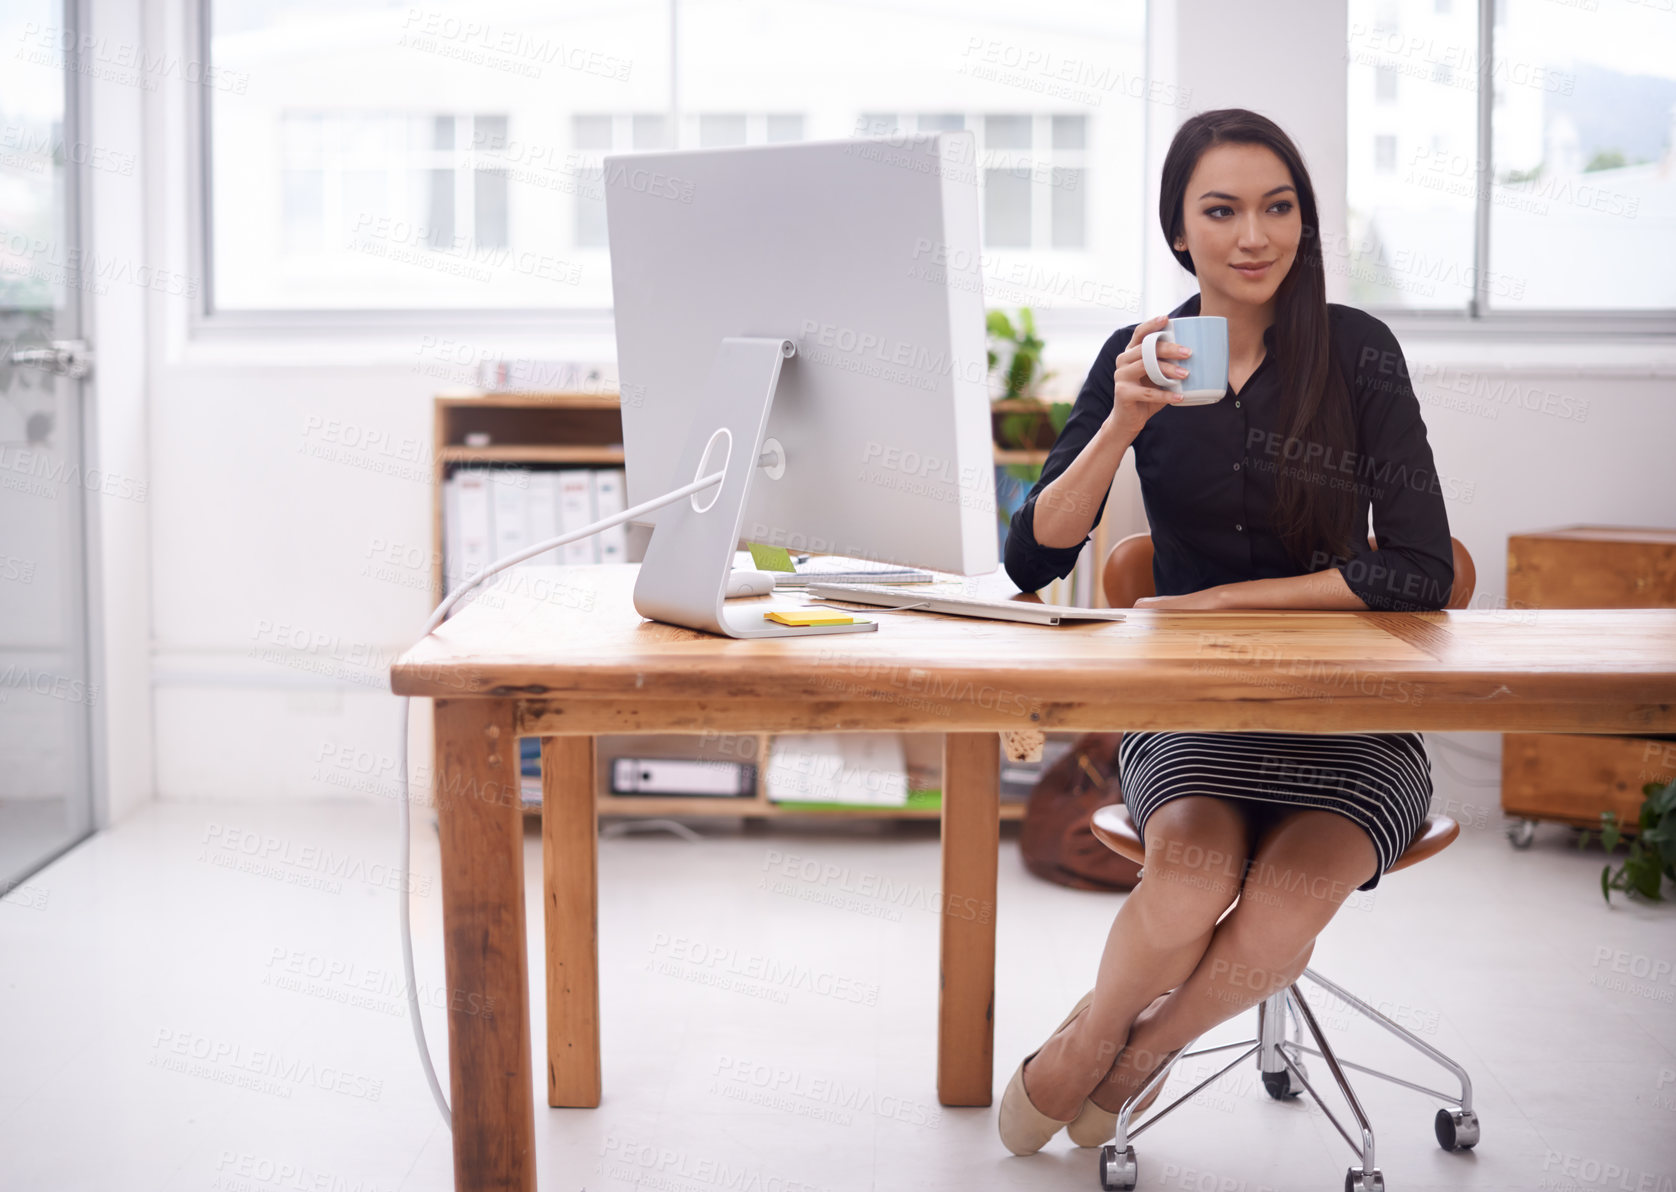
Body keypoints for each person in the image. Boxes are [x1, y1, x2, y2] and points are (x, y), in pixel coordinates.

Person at [995, 107, 1455, 1156]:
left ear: (1301, 220)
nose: (1254, 235)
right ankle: (1089, 1038)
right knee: (1191, 878)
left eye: (1276, 206)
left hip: (1349, 726)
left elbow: (1417, 567)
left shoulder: (1355, 351)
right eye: (1222, 210)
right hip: (1195, 717)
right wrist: (1120, 423)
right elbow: (1031, 556)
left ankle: (1126, 1052)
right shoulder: (1141, 356)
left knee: (1286, 900)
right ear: (1178, 232)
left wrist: (1213, 602)